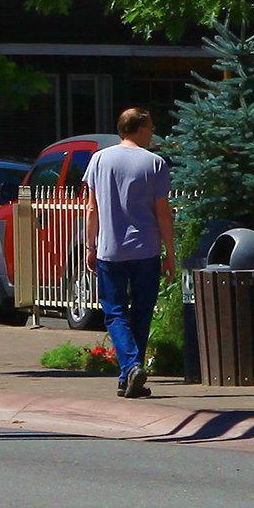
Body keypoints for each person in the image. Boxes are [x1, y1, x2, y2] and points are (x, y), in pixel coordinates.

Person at [78, 109, 175, 398]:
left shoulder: (99, 160)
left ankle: (129, 373)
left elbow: (92, 208)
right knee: (142, 312)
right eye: (150, 128)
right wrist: (170, 252)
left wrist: (90, 246)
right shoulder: (155, 163)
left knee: (115, 313)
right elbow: (163, 213)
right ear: (139, 129)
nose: (153, 133)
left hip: (111, 250)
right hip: (145, 249)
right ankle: (132, 370)